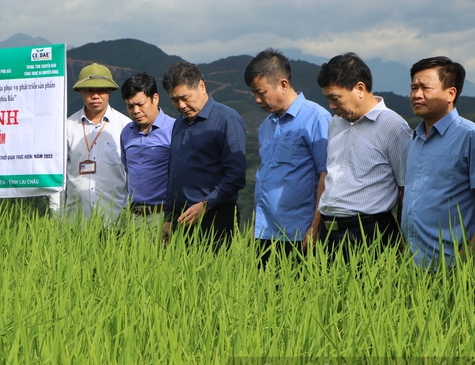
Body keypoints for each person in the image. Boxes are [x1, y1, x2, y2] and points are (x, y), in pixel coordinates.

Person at [316, 53, 412, 258]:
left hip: (370, 233)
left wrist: (404, 238)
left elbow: (406, 188)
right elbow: (329, 176)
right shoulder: (335, 123)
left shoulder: (393, 126)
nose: (331, 106)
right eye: (328, 99)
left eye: (335, 98)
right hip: (328, 231)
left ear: (359, 88)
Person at [243, 48, 330, 265]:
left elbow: (326, 175)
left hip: (298, 234)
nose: (257, 99)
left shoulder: (316, 118)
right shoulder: (267, 125)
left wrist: (315, 227)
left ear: (283, 84)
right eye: (253, 93)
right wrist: (255, 228)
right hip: (265, 233)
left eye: (261, 92)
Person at [161, 61, 246, 249]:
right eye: (175, 100)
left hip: (215, 217)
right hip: (180, 219)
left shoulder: (227, 119)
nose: (181, 105)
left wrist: (205, 205)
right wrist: (168, 217)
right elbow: (173, 173)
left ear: (201, 86)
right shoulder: (179, 123)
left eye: (185, 98)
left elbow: (235, 176)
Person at [402, 56, 475, 268]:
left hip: (453, 265)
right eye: (413, 87)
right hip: (412, 262)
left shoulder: (469, 136)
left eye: (425, 88)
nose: (416, 95)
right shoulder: (414, 140)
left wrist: (465, 257)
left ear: (450, 93)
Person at [50, 63, 130, 223]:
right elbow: (58, 177)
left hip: (116, 220)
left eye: (101, 90)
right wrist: (56, 216)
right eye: (89, 90)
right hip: (76, 220)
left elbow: (131, 176)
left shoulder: (125, 127)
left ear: (109, 91)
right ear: (80, 91)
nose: (95, 96)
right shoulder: (67, 127)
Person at [120, 72, 175, 227]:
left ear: (155, 99)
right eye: (130, 106)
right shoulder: (126, 132)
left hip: (162, 215)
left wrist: (171, 218)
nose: (135, 111)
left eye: (140, 104)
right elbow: (127, 168)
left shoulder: (174, 129)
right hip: (132, 216)